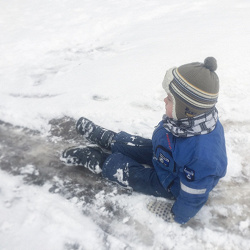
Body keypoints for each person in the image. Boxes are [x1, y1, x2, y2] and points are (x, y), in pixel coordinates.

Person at [60, 57, 227, 224]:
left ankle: (100, 160)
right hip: (167, 154)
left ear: (186, 110)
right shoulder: (191, 121)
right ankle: (110, 140)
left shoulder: (202, 156)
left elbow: (194, 194)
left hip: (171, 181)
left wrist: (177, 215)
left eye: (169, 99)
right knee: (138, 145)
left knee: (137, 176)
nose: (164, 100)